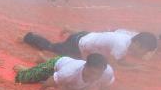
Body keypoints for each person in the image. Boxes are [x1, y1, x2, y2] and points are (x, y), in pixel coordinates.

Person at [22, 28, 157, 64]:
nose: (144, 54)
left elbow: (120, 60)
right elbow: (115, 65)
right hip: (77, 44)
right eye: (145, 51)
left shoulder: (128, 38)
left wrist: (134, 66)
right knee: (51, 48)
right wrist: (134, 68)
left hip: (87, 36)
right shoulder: (121, 46)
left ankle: (69, 28)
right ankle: (28, 37)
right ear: (138, 44)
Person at [14, 53, 114, 90]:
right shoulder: (69, 72)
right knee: (23, 78)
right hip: (56, 65)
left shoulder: (107, 73)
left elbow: (105, 89)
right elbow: (48, 83)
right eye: (92, 73)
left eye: (99, 73)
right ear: (85, 66)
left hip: (71, 79)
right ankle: (25, 70)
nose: (95, 77)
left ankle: (42, 59)